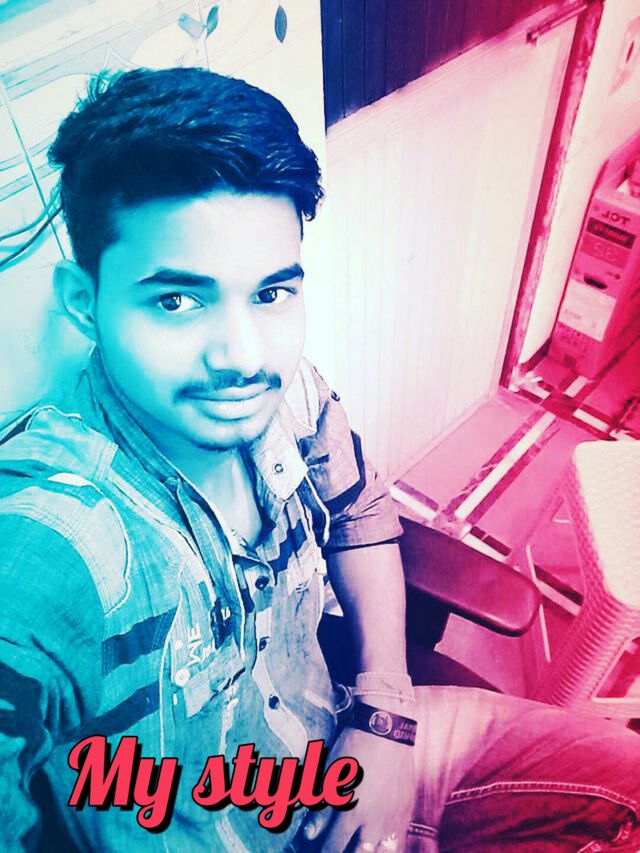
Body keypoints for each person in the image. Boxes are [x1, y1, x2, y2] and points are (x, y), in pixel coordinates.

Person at [0, 66, 639, 853]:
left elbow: (360, 512)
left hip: (349, 738)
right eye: (177, 299)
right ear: (83, 302)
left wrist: (385, 711)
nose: (244, 357)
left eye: (271, 293)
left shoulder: (290, 395)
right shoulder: (56, 539)